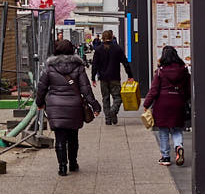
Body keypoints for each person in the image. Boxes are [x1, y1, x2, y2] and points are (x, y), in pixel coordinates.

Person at [35, 39, 101, 176]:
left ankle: (62, 167)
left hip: (55, 106)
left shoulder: (49, 68)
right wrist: (95, 105)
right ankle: (73, 163)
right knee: (73, 136)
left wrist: (39, 103)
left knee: (59, 137)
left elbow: (41, 88)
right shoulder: (78, 67)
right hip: (74, 106)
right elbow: (85, 89)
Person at [143, 46, 191, 166]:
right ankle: (178, 146)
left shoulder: (160, 71)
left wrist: (146, 104)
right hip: (178, 102)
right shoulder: (183, 71)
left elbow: (154, 90)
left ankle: (165, 157)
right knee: (177, 129)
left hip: (162, 104)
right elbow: (188, 90)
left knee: (163, 130)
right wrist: (183, 99)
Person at [91, 29, 133, 125]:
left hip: (103, 78)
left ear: (103, 37)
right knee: (118, 97)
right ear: (111, 36)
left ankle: (108, 119)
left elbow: (94, 65)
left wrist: (93, 78)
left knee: (105, 98)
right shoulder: (117, 48)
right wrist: (130, 75)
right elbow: (125, 63)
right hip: (115, 77)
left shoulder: (98, 49)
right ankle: (113, 111)